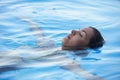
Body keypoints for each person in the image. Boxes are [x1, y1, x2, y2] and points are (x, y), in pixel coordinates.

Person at [19, 17, 105, 80]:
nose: (73, 31)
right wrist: (29, 20)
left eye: (81, 34)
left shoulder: (63, 60)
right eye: (79, 29)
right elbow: (38, 34)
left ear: (82, 49)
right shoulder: (49, 46)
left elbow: (88, 76)